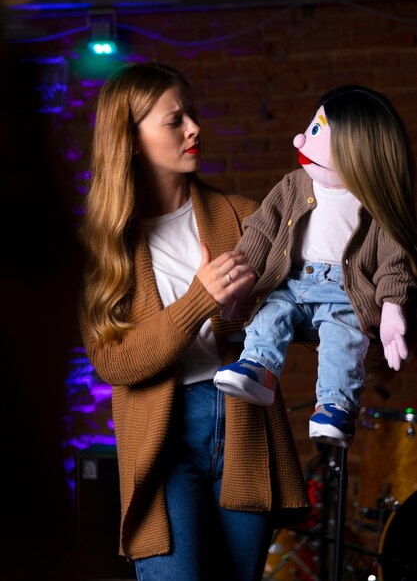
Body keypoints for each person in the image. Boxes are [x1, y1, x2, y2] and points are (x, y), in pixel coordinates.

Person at [78, 61, 310, 581]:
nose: (194, 128)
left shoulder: (244, 218)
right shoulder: (106, 247)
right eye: (174, 120)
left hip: (244, 426)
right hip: (164, 437)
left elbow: (313, 314)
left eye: (194, 114)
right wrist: (199, 299)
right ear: (131, 139)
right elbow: (114, 361)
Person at [214, 84, 417, 449]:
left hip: (346, 292)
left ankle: (335, 406)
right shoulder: (294, 184)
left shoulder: (375, 205)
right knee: (269, 313)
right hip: (290, 281)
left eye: (317, 131)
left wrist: (392, 306)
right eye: (311, 128)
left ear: (358, 146)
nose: (300, 140)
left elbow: (394, 262)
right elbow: (261, 229)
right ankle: (259, 368)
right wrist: (245, 277)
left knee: (344, 337)